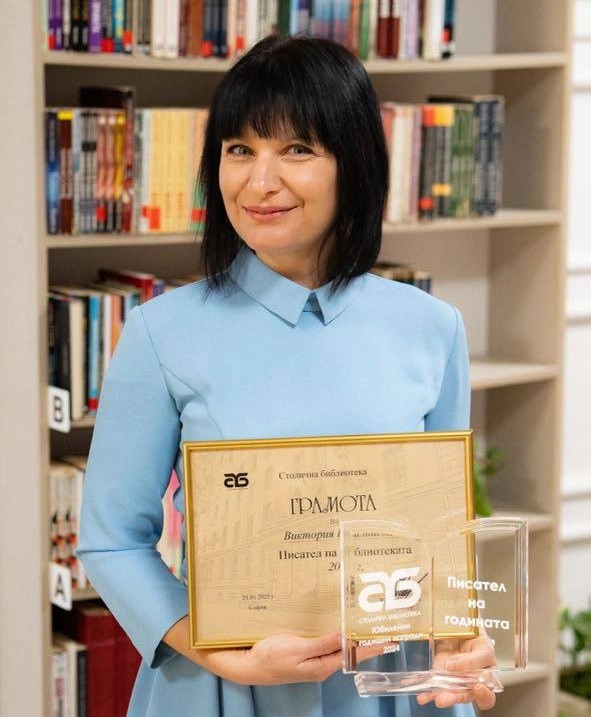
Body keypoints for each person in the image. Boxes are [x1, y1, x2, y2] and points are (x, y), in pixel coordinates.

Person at [78, 34, 496, 717]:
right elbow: (112, 539)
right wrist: (223, 656)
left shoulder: (432, 327)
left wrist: (463, 643)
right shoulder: (160, 331)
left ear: (353, 163)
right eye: (239, 149)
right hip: (226, 686)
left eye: (296, 149)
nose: (258, 181)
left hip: (390, 682)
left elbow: (442, 539)